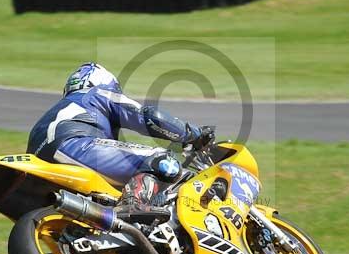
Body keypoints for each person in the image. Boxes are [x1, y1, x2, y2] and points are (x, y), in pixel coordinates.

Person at [27, 62, 213, 210]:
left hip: (38, 164)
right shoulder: (98, 93)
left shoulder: (61, 109)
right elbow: (150, 118)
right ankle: (133, 208)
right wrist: (192, 135)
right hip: (74, 145)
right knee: (163, 160)